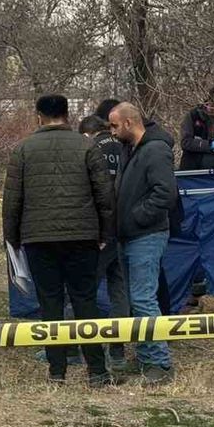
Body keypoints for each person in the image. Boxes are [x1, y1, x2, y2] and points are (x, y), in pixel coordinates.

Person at [3, 95, 116, 386]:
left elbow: (12, 199)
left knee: (49, 303)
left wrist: (12, 238)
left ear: (39, 116)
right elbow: (104, 195)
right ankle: (97, 371)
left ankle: (57, 371)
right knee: (85, 300)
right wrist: (104, 233)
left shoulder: (24, 149)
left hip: (38, 238)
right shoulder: (87, 146)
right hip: (82, 236)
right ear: (67, 114)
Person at [109, 102, 178, 385]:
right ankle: (146, 355)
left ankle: (159, 363)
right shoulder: (132, 150)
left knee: (143, 298)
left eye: (114, 125)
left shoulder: (156, 150)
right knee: (138, 300)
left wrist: (137, 217)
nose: (111, 132)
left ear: (128, 123)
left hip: (146, 235)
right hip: (130, 235)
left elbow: (165, 194)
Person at [79, 114, 130, 366]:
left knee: (83, 288)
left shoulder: (89, 149)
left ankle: (75, 347)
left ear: (87, 134)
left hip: (100, 230)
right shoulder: (125, 145)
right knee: (119, 289)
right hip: (126, 226)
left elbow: (92, 192)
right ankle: (118, 349)